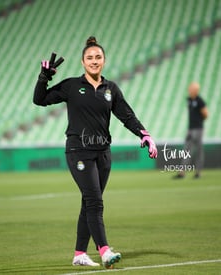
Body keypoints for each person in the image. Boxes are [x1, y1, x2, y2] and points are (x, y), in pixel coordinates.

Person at [33, 36, 158, 268]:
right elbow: (39, 100)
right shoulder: (71, 86)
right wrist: (44, 77)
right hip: (78, 151)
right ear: (82, 62)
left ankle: (80, 253)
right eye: (89, 57)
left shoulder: (111, 89)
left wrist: (145, 135)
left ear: (104, 61)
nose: (94, 61)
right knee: (95, 201)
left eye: (98, 57)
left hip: (103, 153)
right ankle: (104, 250)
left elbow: (127, 116)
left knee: (88, 202)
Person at [174, 82, 208, 179]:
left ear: (196, 90)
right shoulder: (189, 100)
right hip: (190, 128)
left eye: (191, 89)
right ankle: (182, 172)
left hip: (198, 129)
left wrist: (199, 121)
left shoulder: (199, 101)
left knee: (198, 150)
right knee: (186, 150)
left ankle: (198, 172)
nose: (189, 90)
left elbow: (206, 114)